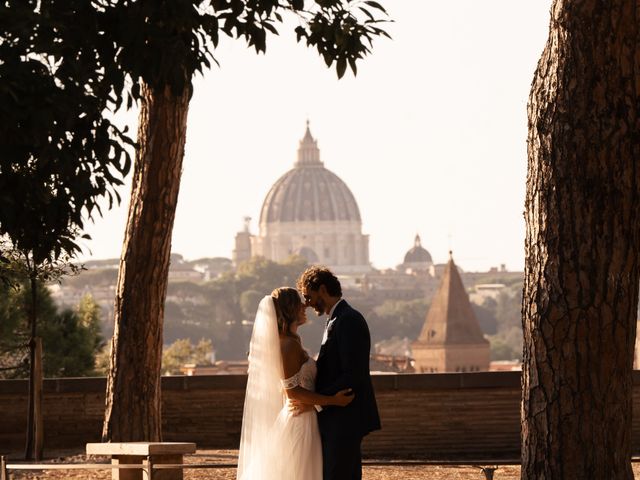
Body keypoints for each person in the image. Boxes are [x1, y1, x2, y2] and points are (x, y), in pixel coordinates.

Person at [237, 287, 354, 480]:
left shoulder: (291, 341)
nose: (304, 305)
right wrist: (333, 401)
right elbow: (292, 392)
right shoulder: (289, 345)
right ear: (289, 309)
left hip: (305, 415)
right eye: (299, 302)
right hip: (301, 420)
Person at [297, 266, 381, 480]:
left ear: (323, 290)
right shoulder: (337, 319)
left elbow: (352, 373)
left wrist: (319, 399)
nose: (307, 303)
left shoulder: (348, 320)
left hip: (345, 417)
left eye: (309, 296)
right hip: (339, 417)